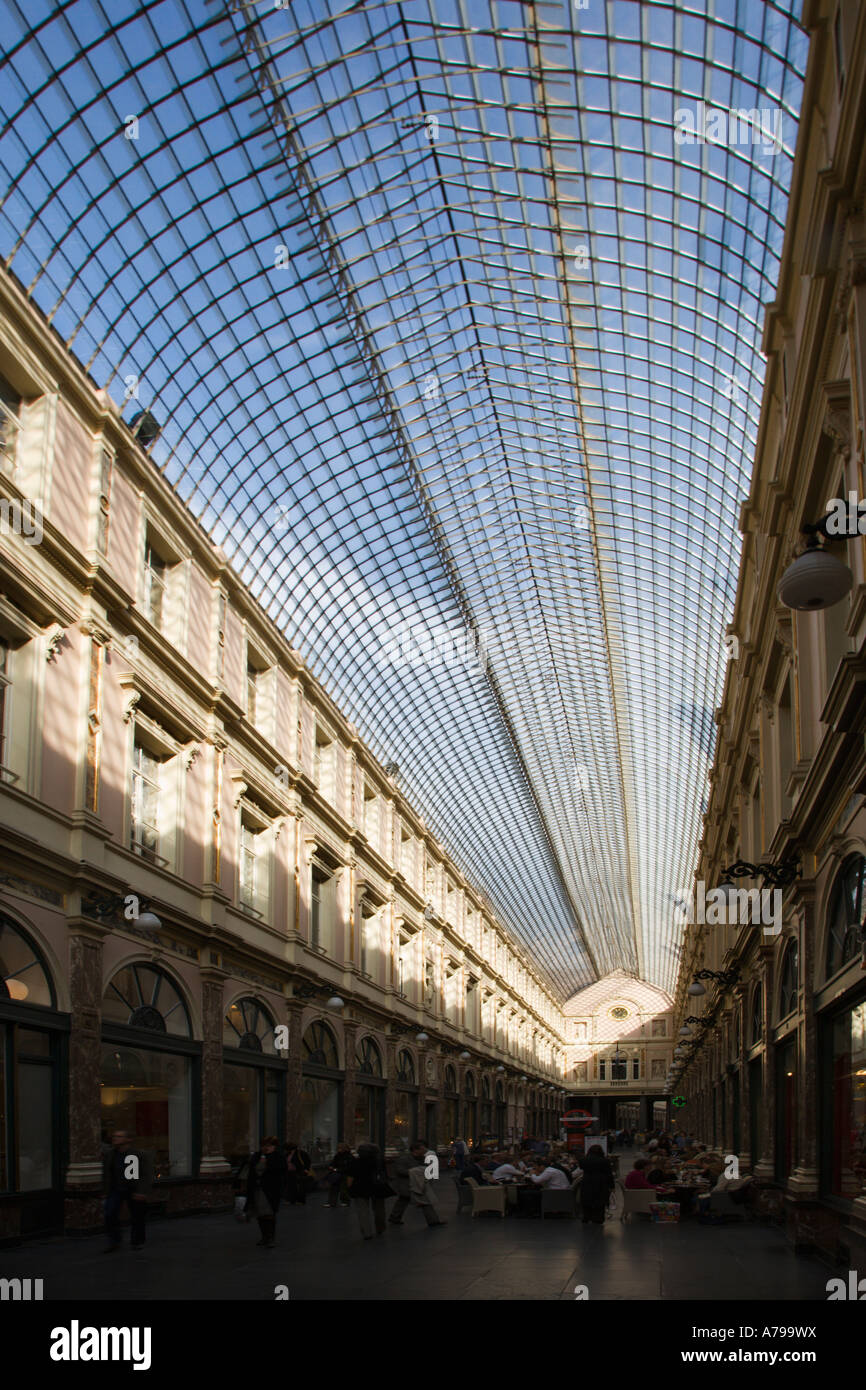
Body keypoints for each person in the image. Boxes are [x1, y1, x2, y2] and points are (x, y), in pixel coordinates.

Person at [103, 1130, 153, 1253]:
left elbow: (144, 1174)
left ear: (128, 1140)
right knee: (110, 1214)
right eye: (114, 1136)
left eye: (119, 1137)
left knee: (137, 1216)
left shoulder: (137, 1154)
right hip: (116, 1189)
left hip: (133, 1189)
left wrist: (141, 1191)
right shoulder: (110, 1154)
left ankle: (137, 1242)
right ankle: (115, 1241)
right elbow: (107, 1174)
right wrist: (105, 1190)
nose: (115, 1138)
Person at [388, 1140, 447, 1227]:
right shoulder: (404, 1159)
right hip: (406, 1184)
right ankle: (395, 1217)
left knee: (421, 1201)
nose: (425, 1151)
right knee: (404, 1200)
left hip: (417, 1184)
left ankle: (433, 1220)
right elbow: (400, 1171)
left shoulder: (422, 1158)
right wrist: (415, 1172)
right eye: (422, 1149)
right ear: (415, 1150)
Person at [246, 1136, 289, 1248]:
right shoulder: (256, 1156)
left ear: (274, 1146)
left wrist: (266, 1164)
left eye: (269, 1145)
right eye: (264, 1145)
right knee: (260, 1214)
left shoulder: (278, 1157)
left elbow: (281, 1172)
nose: (266, 1148)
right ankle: (264, 1236)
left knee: (269, 1213)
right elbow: (251, 1170)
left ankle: (270, 1237)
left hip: (271, 1189)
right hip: (258, 1188)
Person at [346, 1142, 389, 1239]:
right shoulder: (379, 1161)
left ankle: (367, 1232)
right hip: (377, 1186)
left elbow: (350, 1177)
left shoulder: (355, 1162)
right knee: (379, 1209)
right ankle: (380, 1227)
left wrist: (349, 1187)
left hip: (360, 1187)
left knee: (363, 1210)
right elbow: (385, 1174)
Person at [579, 1143, 615, 1224]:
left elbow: (581, 1167)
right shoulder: (605, 1161)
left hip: (587, 1181)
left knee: (587, 1199)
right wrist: (612, 1186)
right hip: (601, 1182)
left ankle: (586, 1217)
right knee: (600, 1201)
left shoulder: (583, 1160)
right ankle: (598, 1218)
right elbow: (609, 1174)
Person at [284, 1140, 313, 1205]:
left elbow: (307, 1161)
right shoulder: (287, 1154)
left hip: (299, 1172)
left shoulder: (301, 1153)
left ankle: (300, 1200)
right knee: (291, 1186)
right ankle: (292, 1200)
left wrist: (306, 1169)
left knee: (301, 1187)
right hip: (289, 1172)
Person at [325, 1141, 352, 1208]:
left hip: (344, 1174)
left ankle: (345, 1201)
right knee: (334, 1188)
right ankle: (332, 1202)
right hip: (337, 1174)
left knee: (343, 1189)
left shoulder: (349, 1156)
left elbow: (348, 1167)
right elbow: (333, 1162)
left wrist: (336, 1169)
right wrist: (331, 1166)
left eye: (340, 1148)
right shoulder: (338, 1155)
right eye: (338, 1148)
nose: (339, 1149)